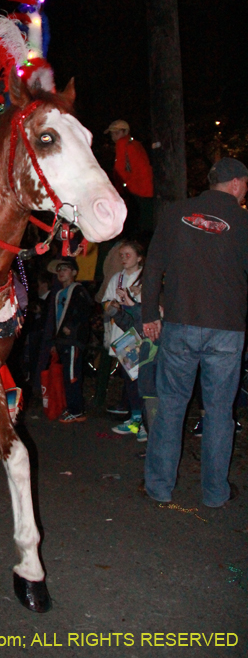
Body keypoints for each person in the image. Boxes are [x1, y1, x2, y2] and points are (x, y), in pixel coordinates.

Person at [142, 157, 248, 508]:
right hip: (227, 331)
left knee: (171, 406)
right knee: (219, 412)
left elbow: (153, 265)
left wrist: (149, 313)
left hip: (181, 323)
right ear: (236, 183)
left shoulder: (176, 212)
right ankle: (215, 493)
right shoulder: (243, 221)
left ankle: (159, 486)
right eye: (245, 185)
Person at [38, 257, 93, 423]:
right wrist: (55, 341)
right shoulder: (59, 294)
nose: (61, 272)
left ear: (74, 272)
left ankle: (76, 410)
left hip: (73, 340)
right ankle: (70, 406)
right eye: (59, 270)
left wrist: (72, 326)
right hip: (63, 340)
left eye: (65, 269)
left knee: (72, 375)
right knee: (66, 375)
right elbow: (57, 319)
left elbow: (84, 311)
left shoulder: (78, 290)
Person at [102, 241, 147, 442]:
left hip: (142, 335)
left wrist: (136, 297)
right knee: (130, 378)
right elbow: (105, 302)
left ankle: (145, 422)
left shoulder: (147, 277)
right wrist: (112, 304)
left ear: (139, 257)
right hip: (122, 336)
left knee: (143, 379)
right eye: (121, 255)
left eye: (128, 255)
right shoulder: (117, 278)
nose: (124, 258)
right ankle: (136, 419)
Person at [105, 119, 153, 233]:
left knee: (135, 221)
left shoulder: (122, 143)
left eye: (116, 133)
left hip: (136, 188)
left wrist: (119, 189)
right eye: (112, 133)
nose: (114, 136)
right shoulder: (135, 143)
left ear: (124, 132)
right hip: (147, 188)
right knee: (146, 218)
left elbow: (120, 170)